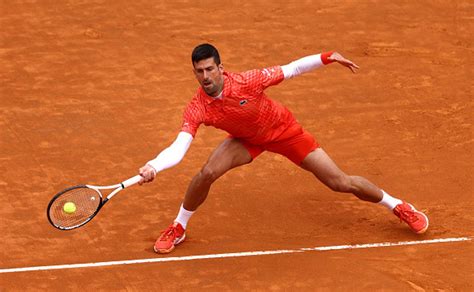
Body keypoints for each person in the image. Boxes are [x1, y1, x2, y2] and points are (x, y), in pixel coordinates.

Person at [138, 43, 429, 254]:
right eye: (199, 71)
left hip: (284, 132)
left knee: (340, 182)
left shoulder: (248, 81)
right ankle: (179, 226)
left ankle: (399, 206)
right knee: (207, 172)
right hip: (247, 140)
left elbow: (292, 69)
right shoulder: (197, 106)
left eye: (210, 69)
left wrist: (327, 57)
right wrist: (154, 165)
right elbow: (179, 147)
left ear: (221, 68)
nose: (205, 77)